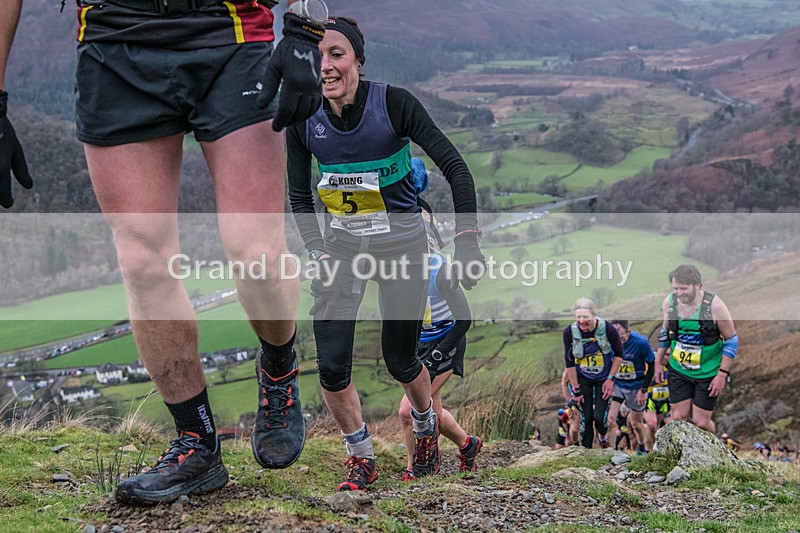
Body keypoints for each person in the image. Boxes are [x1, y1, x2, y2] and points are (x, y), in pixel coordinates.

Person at [2, 0, 331, 504]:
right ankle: (196, 444)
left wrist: (306, 26)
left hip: (232, 33)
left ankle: (279, 369)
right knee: (142, 262)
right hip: (115, 45)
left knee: (257, 256)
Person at [286, 16, 484, 490]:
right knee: (332, 367)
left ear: (357, 59)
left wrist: (468, 240)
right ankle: (361, 458)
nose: (326, 66)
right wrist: (317, 250)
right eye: (317, 57)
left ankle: (424, 429)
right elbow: (298, 198)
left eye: (337, 54)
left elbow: (456, 168)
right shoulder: (302, 117)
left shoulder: (394, 104)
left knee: (400, 360)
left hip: (402, 248)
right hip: (342, 251)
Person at [398, 203, 481, 482]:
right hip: (418, 347)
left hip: (447, 344)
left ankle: (416, 468)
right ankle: (467, 444)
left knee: (408, 410)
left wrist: (437, 355)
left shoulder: (442, 271)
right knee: (430, 409)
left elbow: (465, 320)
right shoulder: (398, 273)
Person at [654, 265, 737, 434]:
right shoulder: (669, 303)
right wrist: (658, 362)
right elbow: (665, 332)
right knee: (678, 418)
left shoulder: (715, 306)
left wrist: (722, 374)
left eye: (684, 288)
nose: (679, 293)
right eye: (675, 288)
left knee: (701, 423)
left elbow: (731, 340)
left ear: (697, 285)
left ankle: (715, 449)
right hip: (678, 368)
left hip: (707, 372)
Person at [563, 298, 625, 449]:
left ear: (594, 315)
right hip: (582, 379)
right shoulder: (569, 332)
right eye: (578, 317)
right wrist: (576, 389)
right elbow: (569, 362)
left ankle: (603, 435)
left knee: (599, 418)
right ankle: (586, 452)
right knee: (586, 417)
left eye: (585, 317)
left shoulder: (608, 329)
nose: (582, 321)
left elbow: (619, 354)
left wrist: (610, 379)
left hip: (603, 380)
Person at [605, 320, 655, 455]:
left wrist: (643, 390)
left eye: (621, 338)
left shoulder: (641, 343)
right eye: (615, 338)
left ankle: (642, 448)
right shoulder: (608, 342)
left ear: (628, 331)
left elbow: (651, 366)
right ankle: (612, 451)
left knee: (636, 424)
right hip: (618, 384)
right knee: (610, 419)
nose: (618, 342)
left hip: (636, 386)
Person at [644, 368, 671, 442]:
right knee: (652, 424)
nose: (667, 358)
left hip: (664, 401)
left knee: (656, 426)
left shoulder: (672, 367)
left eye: (668, 355)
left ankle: (651, 449)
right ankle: (652, 447)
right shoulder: (649, 366)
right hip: (649, 399)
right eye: (666, 355)